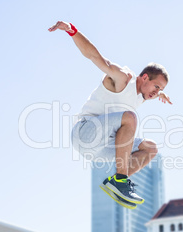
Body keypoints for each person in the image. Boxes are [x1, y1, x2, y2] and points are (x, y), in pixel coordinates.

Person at [48, 21, 172, 210]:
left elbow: (148, 94)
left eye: (160, 90)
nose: (156, 93)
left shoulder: (142, 96)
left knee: (151, 148)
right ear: (144, 77)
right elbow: (95, 57)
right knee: (130, 117)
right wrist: (72, 31)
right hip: (85, 133)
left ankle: (116, 183)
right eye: (156, 87)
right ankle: (120, 181)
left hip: (100, 150)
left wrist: (159, 93)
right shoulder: (123, 78)